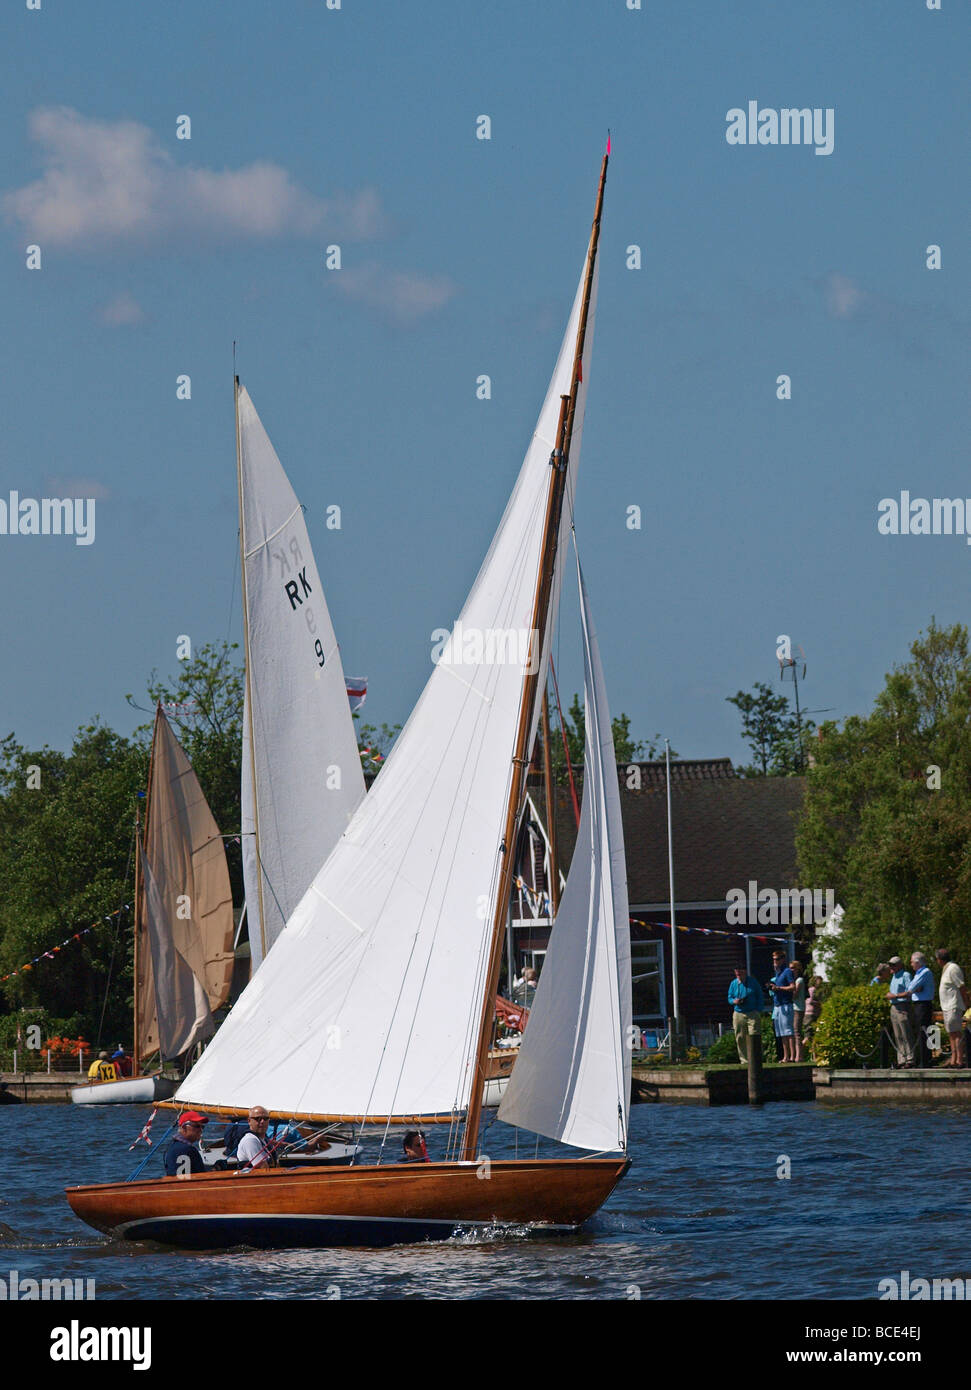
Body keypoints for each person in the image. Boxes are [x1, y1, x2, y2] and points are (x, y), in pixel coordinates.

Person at [893, 952, 935, 1067]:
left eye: (912, 962)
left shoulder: (925, 972)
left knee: (924, 1031)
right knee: (920, 1031)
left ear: (917, 962)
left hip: (923, 1004)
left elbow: (910, 988)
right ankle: (923, 1058)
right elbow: (913, 987)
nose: (911, 964)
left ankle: (925, 1060)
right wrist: (915, 989)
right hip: (918, 1004)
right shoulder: (918, 973)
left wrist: (912, 990)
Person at [936, 948, 970, 1068]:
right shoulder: (946, 969)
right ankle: (953, 1059)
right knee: (951, 1033)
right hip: (946, 1006)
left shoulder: (953, 968)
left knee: (957, 1032)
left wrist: (966, 1003)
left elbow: (961, 986)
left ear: (940, 959)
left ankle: (960, 1060)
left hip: (953, 1004)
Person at [727, 965, 764, 1064]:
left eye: (740, 972)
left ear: (745, 971)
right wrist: (734, 1001)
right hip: (738, 1013)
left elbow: (760, 996)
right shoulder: (733, 984)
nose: (738, 974)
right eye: (736, 972)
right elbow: (729, 998)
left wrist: (758, 1010)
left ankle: (756, 1059)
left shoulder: (753, 982)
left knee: (754, 1035)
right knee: (740, 1037)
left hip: (752, 1012)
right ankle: (744, 1061)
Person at [886, 955, 914, 1068]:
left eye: (893, 965)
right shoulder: (893, 976)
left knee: (906, 1033)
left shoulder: (906, 975)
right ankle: (901, 1059)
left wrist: (895, 995)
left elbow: (909, 991)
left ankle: (910, 1059)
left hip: (903, 1006)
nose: (891, 967)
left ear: (900, 965)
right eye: (890, 965)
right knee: (898, 1035)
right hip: (894, 1007)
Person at [768, 950, 796, 1062]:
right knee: (781, 1033)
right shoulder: (778, 973)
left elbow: (792, 987)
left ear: (783, 959)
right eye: (774, 959)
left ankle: (793, 1056)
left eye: (778, 959)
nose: (775, 961)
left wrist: (779, 988)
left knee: (788, 1032)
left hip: (786, 1005)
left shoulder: (787, 971)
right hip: (778, 1005)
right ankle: (786, 1056)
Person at [164, 1111, 210, 1176]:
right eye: (197, 1126)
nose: (200, 1130)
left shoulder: (173, 1146)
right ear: (184, 1128)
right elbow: (201, 1175)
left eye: (202, 1127)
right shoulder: (188, 1150)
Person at [790, 961, 807, 1062]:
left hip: (799, 1008)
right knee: (793, 1032)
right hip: (794, 1008)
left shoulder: (799, 980)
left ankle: (799, 1056)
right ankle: (796, 1055)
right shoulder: (793, 980)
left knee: (797, 1032)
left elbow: (795, 994)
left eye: (793, 968)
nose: (791, 970)